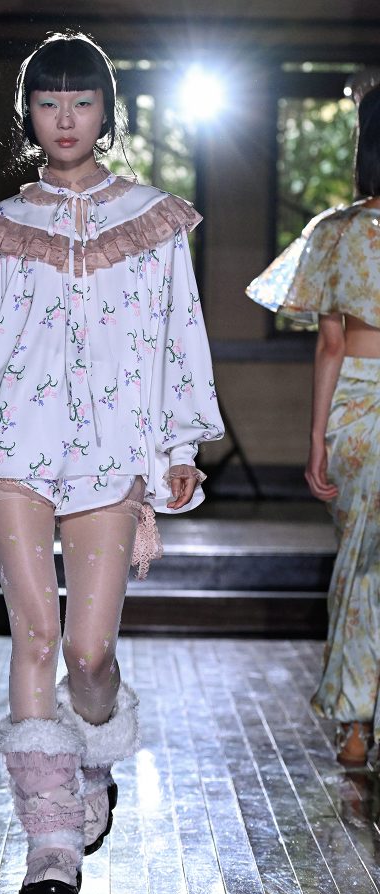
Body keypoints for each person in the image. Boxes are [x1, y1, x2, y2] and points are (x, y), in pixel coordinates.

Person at [0, 31, 223, 894]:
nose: (65, 119)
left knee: (89, 653)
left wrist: (180, 446)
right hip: (13, 444)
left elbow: (179, 334)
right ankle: (51, 846)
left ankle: (90, 765)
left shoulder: (154, 220)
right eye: (49, 102)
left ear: (106, 112)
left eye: (82, 102)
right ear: (29, 114)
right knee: (35, 635)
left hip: (112, 448)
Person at [246, 77, 380, 768]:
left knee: (359, 561)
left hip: (354, 406)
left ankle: (355, 722)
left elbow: (330, 344)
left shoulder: (337, 232)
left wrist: (314, 442)